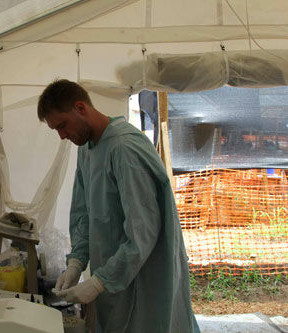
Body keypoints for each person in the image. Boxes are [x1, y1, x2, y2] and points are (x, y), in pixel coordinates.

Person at [38, 79, 200, 332]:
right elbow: (84, 214)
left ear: (80, 108)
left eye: (62, 125)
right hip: (115, 279)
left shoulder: (125, 149)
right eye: (55, 130)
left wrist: (99, 282)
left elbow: (142, 232)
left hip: (146, 279)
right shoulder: (87, 148)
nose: (61, 135)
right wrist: (76, 263)